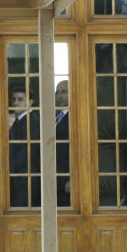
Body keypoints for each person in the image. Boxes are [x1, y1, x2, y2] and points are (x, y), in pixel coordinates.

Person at [9, 85, 40, 207]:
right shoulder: (19, 121)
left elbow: (26, 152)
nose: (15, 103)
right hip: (17, 180)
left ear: (30, 102)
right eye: (14, 99)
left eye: (20, 99)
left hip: (26, 182)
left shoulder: (33, 122)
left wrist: (5, 170)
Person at [55, 79, 71, 207]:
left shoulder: (75, 117)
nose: (59, 96)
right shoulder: (55, 118)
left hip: (67, 181)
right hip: (55, 179)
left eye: (64, 92)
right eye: (57, 92)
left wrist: (72, 179)